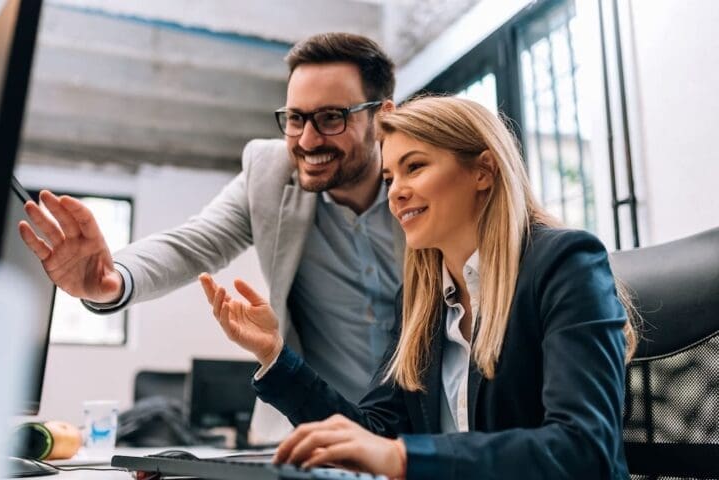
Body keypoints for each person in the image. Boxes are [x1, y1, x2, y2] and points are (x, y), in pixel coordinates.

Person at [198, 95, 638, 478]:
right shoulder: (421, 300)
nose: (396, 193)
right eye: (391, 178)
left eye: (415, 168)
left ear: (483, 171)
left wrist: (402, 458)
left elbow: (584, 449)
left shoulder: (566, 265)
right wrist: (274, 356)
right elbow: (373, 434)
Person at [17, 33, 404, 440]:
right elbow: (193, 243)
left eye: (331, 118)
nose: (307, 140)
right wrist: (113, 279)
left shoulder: (426, 183)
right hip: (316, 430)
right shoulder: (269, 173)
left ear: (382, 117)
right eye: (295, 118)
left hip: (425, 430)